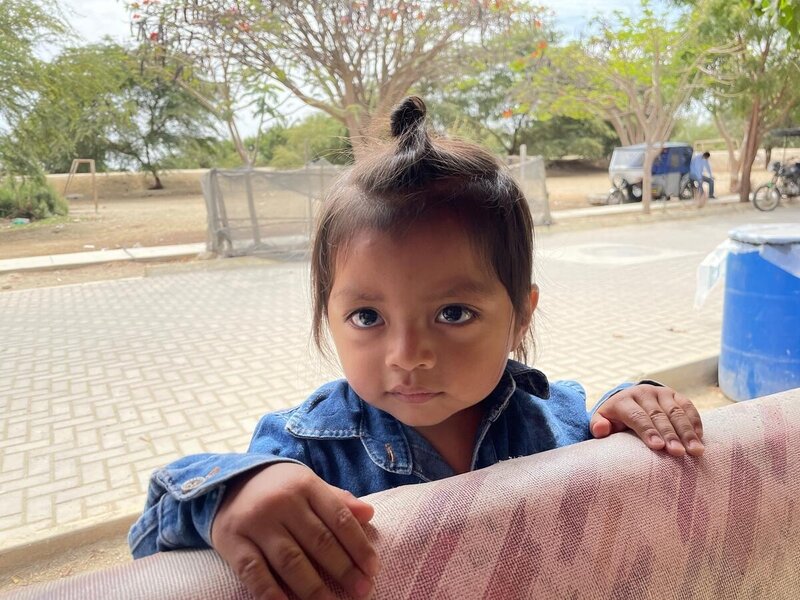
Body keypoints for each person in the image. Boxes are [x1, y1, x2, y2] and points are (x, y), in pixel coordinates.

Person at [128, 96, 706, 600]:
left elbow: (593, 427)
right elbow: (148, 539)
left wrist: (630, 405)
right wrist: (234, 493)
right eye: (367, 316)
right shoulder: (304, 454)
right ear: (329, 315)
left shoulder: (551, 418)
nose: (407, 354)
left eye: (453, 314)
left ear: (520, 318)